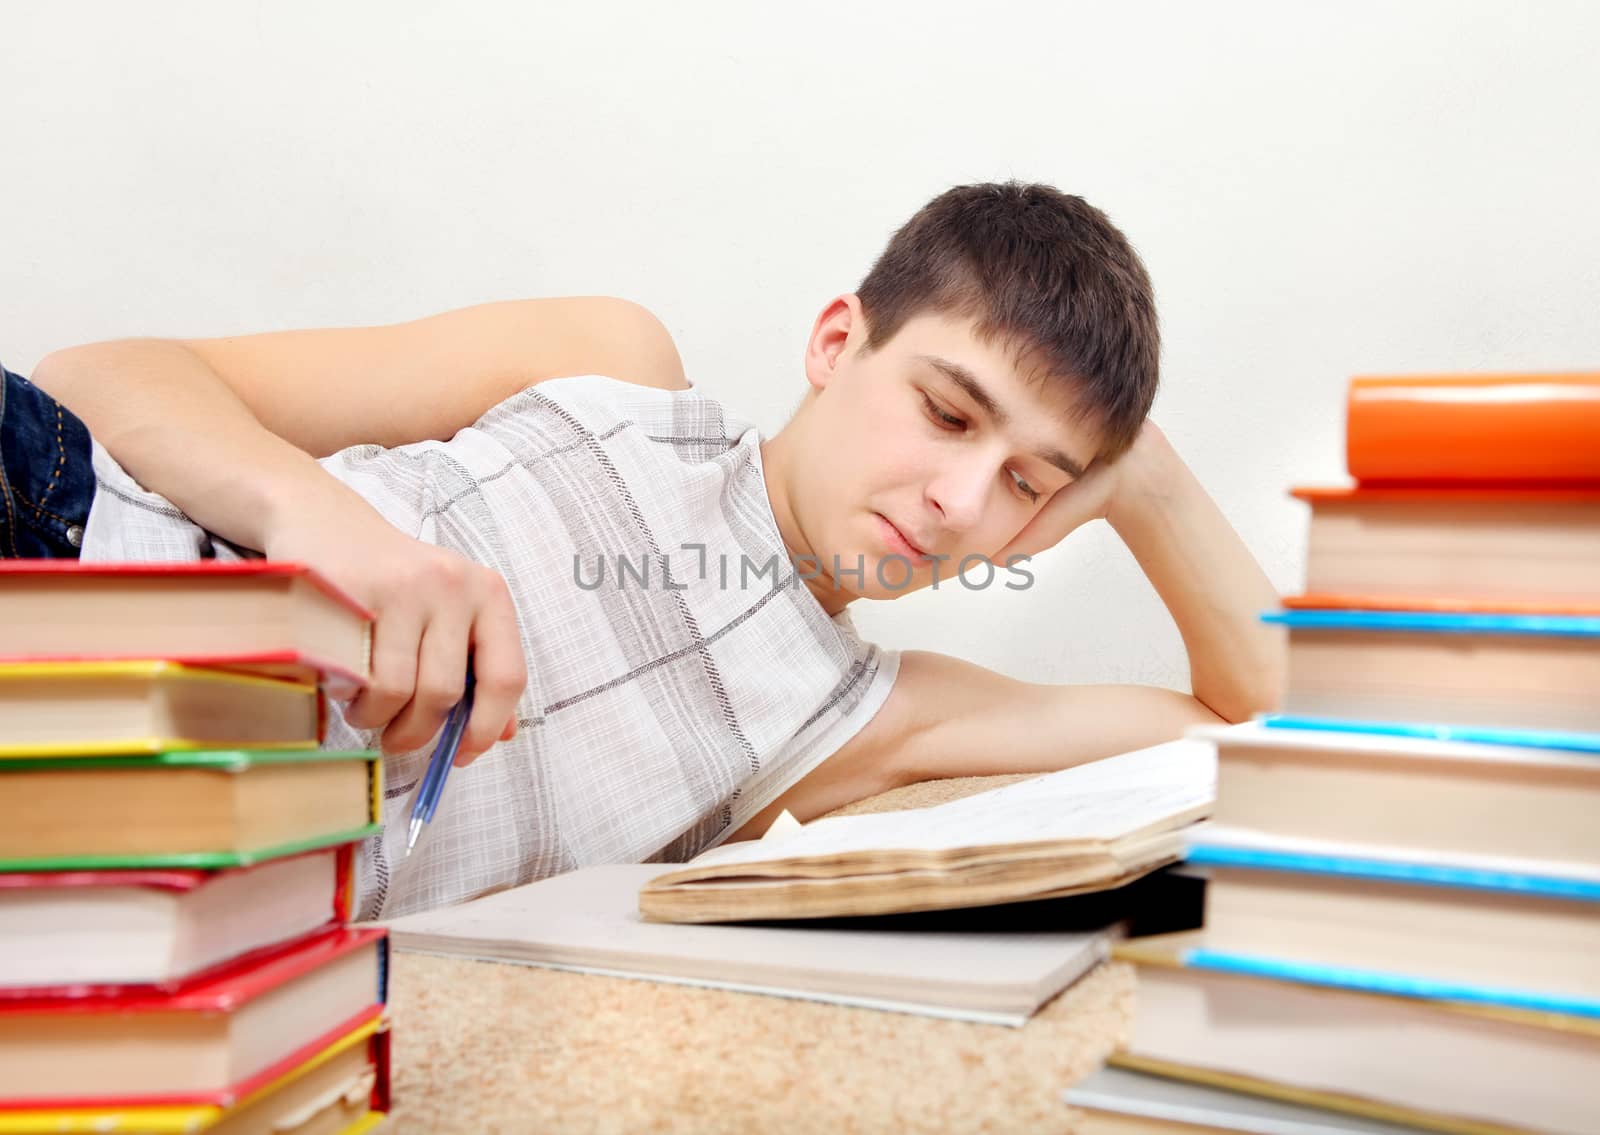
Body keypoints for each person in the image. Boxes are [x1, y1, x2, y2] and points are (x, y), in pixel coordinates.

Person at [14, 182, 1283, 916]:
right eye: (946, 413)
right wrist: (327, 526)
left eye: (1026, 481)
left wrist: (1147, 480)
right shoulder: (618, 369)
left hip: (142, 902)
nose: (959, 499)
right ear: (837, 343)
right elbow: (102, 381)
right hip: (78, 561)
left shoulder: (863, 719)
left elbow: (1271, 718)